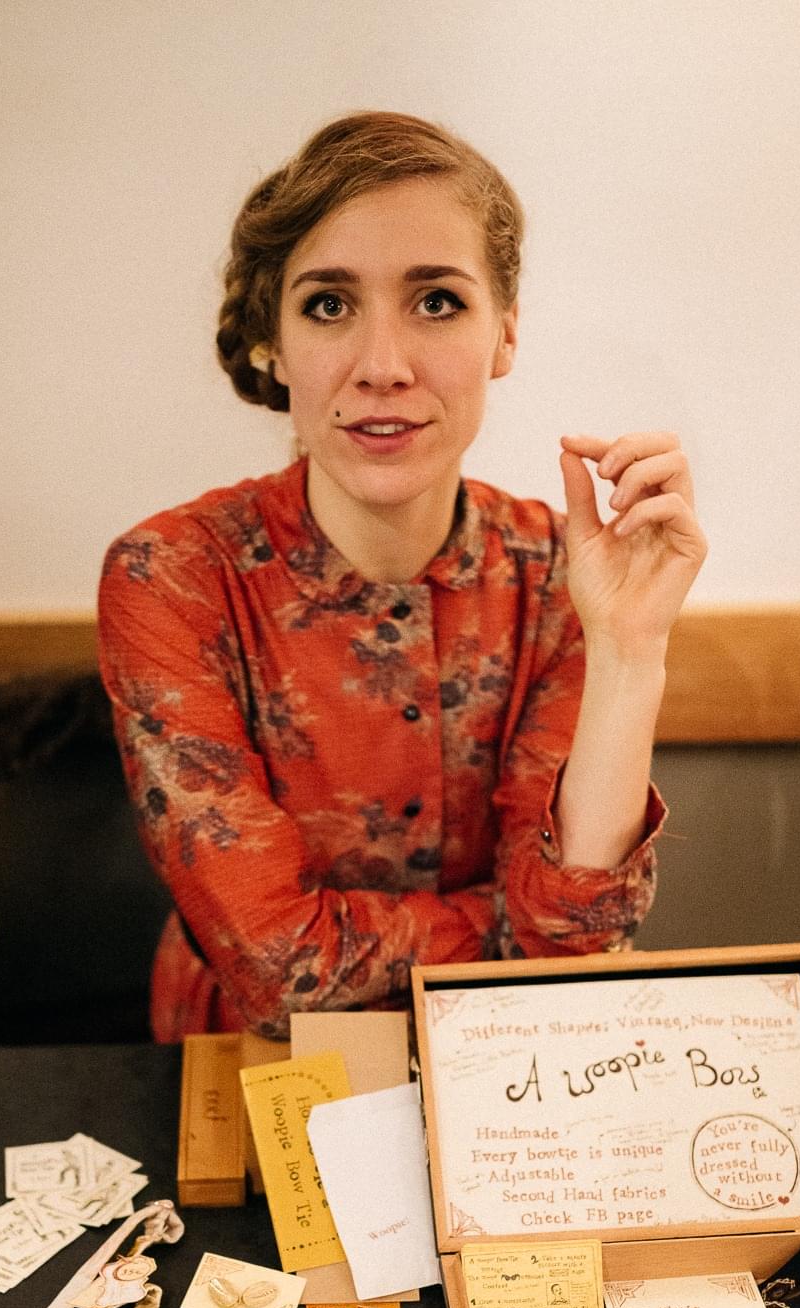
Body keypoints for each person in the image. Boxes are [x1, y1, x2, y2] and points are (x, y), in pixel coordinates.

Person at [99, 112, 707, 1042]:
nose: (382, 367)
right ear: (273, 342)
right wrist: (508, 930)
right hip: (249, 1068)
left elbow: (576, 938)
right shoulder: (173, 577)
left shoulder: (561, 574)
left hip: (504, 1064)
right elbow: (278, 966)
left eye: (435, 302)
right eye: (328, 306)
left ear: (503, 335)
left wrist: (630, 649)